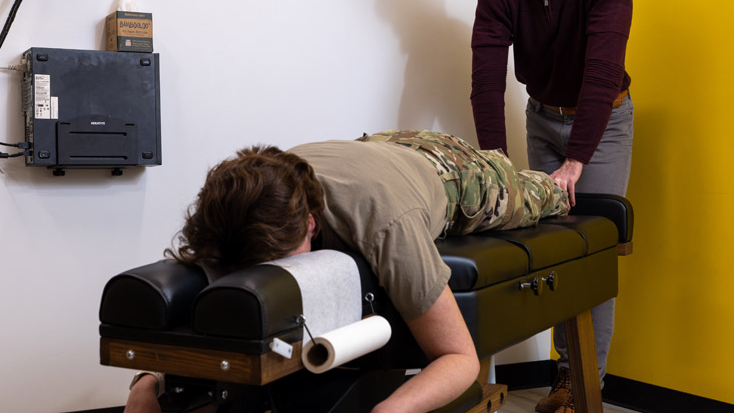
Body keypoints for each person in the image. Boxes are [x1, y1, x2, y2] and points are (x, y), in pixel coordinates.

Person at [125, 130, 570, 413]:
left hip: (454, 172)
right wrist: (150, 381)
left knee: (543, 193)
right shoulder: (233, 221)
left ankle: (557, 183)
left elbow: (459, 359)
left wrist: (392, 411)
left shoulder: (385, 224)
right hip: (375, 148)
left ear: (312, 225)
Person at [470, 0, 634, 413]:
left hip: (603, 121)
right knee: (550, 248)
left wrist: (577, 160)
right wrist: (494, 164)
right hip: (541, 119)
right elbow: (487, 85)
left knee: (592, 247)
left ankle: (583, 385)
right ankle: (565, 373)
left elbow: (603, 72)